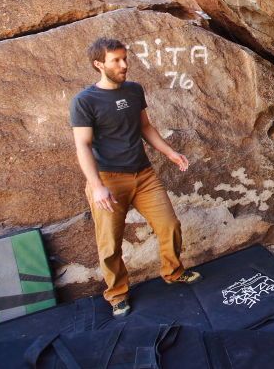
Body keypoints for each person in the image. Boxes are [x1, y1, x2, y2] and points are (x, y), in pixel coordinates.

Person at [70, 38, 202, 318]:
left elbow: (145, 126)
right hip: (108, 180)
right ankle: (117, 294)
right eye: (116, 60)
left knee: (169, 225)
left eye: (125, 58)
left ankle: (173, 272)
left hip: (143, 175)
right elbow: (82, 145)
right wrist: (97, 187)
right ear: (99, 64)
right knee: (109, 243)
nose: (124, 65)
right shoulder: (85, 101)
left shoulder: (133, 90)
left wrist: (170, 153)